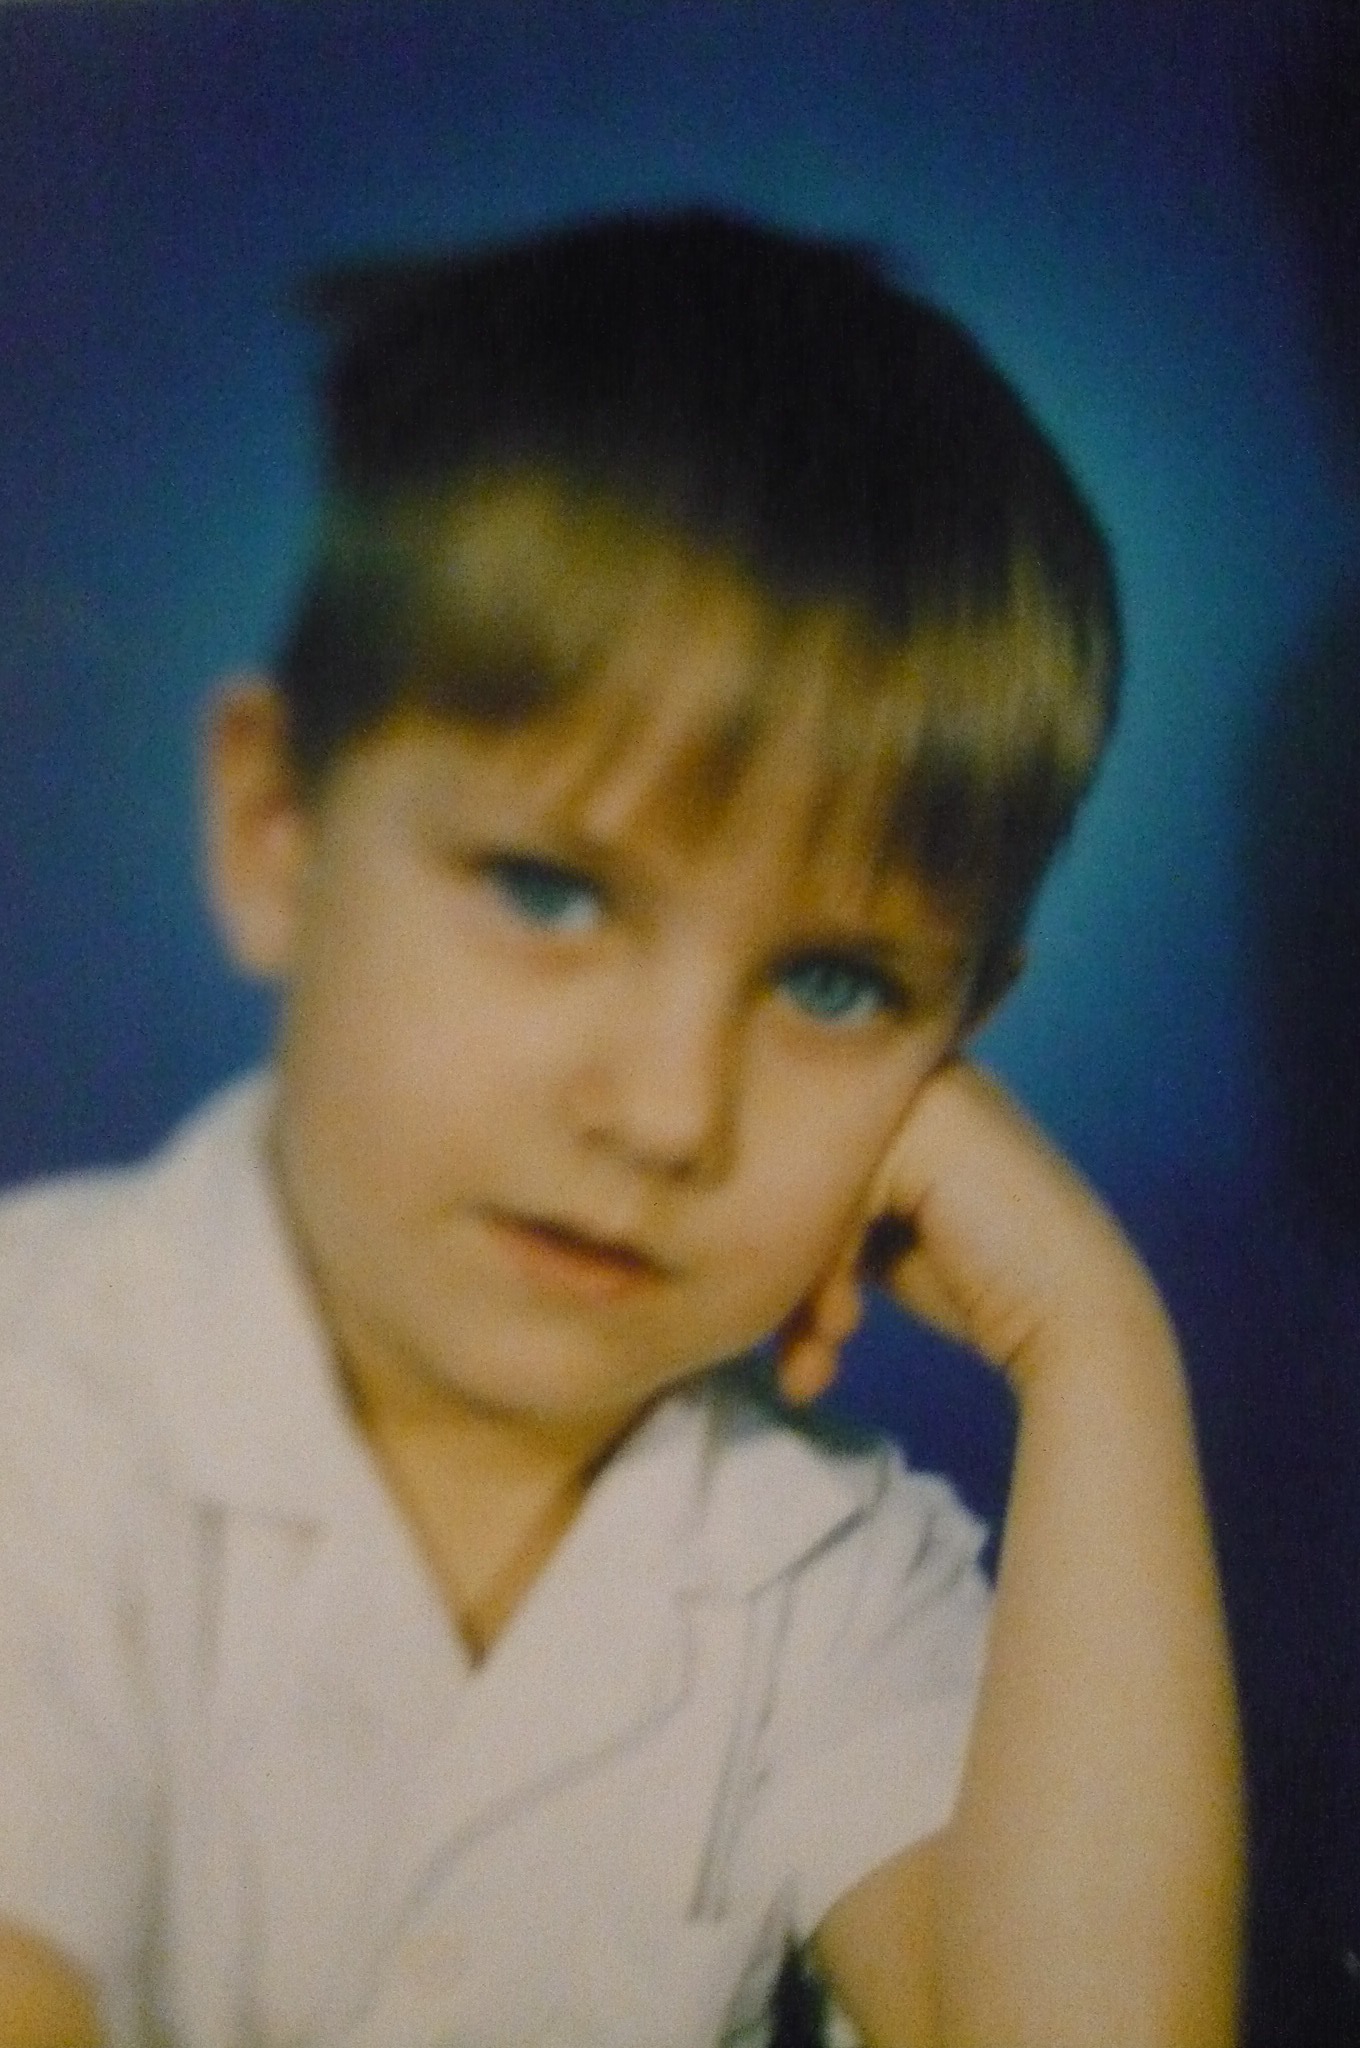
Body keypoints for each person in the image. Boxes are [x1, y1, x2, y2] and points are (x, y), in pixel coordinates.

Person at [0, 208, 1242, 2048]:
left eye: (835, 985)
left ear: (957, 1049)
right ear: (278, 832)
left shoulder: (829, 1572)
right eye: (551, 891)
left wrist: (1100, 1347)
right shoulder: (42, 1387)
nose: (665, 1115)